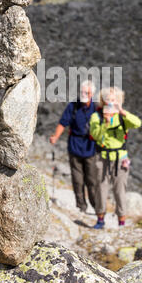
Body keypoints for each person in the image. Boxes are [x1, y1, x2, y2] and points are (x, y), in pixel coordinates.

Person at [89, 86, 141, 229]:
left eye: (113, 99)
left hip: (120, 159)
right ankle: (100, 219)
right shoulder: (96, 117)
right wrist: (106, 123)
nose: (110, 102)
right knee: (101, 189)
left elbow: (137, 123)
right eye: (107, 99)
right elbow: (95, 135)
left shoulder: (123, 117)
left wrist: (122, 111)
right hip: (102, 157)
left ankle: (122, 221)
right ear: (102, 101)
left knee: (120, 190)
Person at [50, 80, 97, 213]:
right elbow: (63, 123)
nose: (84, 94)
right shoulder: (73, 106)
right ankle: (81, 207)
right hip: (74, 146)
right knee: (77, 180)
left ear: (92, 93)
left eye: (87, 92)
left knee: (91, 180)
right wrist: (56, 136)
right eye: (82, 92)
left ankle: (96, 207)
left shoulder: (96, 108)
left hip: (90, 148)